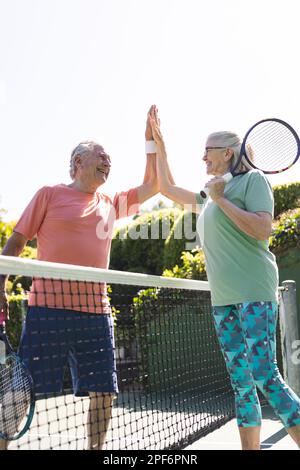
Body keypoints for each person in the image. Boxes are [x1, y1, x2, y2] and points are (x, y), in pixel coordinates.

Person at [0, 107, 159, 450]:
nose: (108, 161)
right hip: (48, 312)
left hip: (96, 314)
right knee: (21, 389)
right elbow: (16, 242)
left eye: (110, 159)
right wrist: (0, 286)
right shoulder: (49, 194)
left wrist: (151, 141)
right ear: (77, 162)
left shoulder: (111, 203)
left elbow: (153, 185)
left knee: (105, 392)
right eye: (101, 155)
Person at [148, 105, 300, 450]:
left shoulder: (252, 181)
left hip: (254, 292)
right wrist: (158, 144)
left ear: (227, 153)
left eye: (207, 152)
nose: (203, 159)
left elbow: (263, 229)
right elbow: (167, 187)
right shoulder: (209, 196)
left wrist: (221, 199)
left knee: (265, 375)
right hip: (223, 299)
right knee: (241, 383)